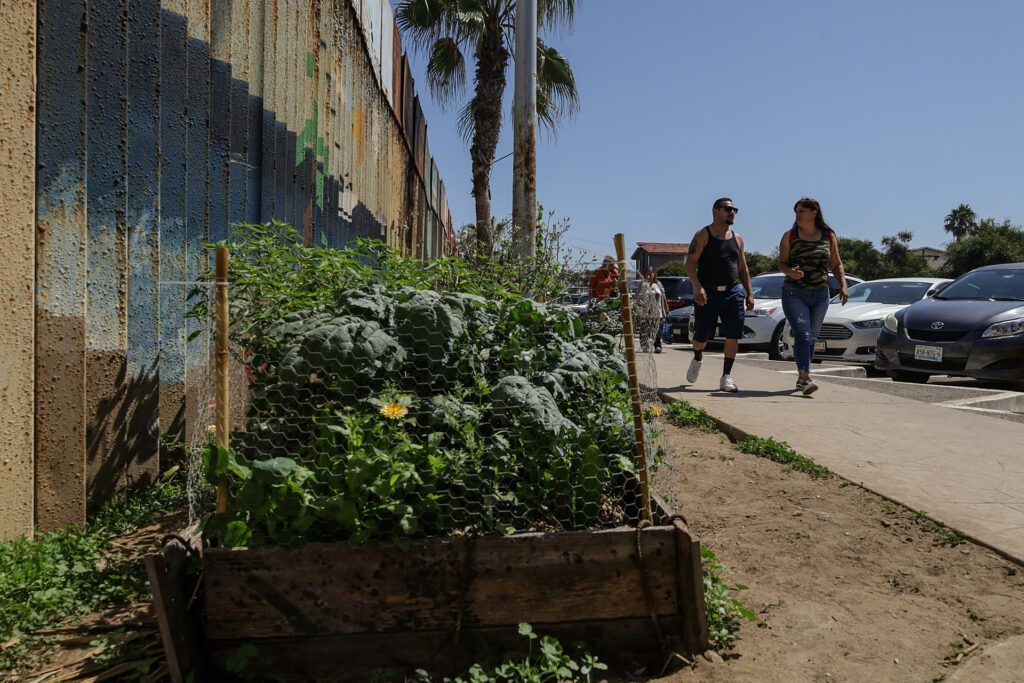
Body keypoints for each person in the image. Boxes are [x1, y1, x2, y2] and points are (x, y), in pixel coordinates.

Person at [778, 197, 848, 395]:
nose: (797, 215)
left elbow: (836, 264)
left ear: (814, 213)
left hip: (820, 294)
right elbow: (782, 263)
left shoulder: (828, 235)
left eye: (801, 211)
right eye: (796, 212)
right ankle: (805, 377)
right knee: (803, 335)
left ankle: (802, 378)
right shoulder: (790, 235)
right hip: (794, 293)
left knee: (811, 338)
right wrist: (790, 272)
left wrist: (843, 285)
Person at [684, 198, 755, 392]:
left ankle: (726, 376)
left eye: (734, 210)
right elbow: (690, 263)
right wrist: (697, 286)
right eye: (728, 209)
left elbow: (743, 268)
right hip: (707, 293)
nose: (732, 212)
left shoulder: (737, 238)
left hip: (732, 292)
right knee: (700, 337)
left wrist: (749, 293)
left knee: (733, 335)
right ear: (715, 211)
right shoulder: (703, 234)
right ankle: (698, 357)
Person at [636, 266, 669, 353]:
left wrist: (666, 306)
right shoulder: (642, 284)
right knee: (644, 329)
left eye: (651, 273)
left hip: (657, 311)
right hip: (645, 311)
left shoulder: (658, 284)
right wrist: (640, 302)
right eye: (647, 273)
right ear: (644, 275)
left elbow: (663, 296)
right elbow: (637, 297)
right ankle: (644, 345)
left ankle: (658, 346)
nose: (649, 275)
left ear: (654, 274)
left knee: (657, 329)